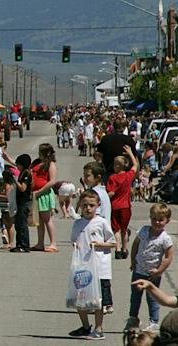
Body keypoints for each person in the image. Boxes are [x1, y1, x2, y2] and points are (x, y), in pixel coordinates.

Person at [68, 189, 116, 340]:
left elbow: (113, 242)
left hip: (100, 268)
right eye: (84, 205)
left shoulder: (101, 222)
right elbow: (74, 241)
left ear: (98, 205)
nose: (88, 208)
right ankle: (85, 326)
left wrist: (101, 244)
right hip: (82, 267)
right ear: (80, 206)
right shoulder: (78, 223)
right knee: (79, 299)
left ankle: (99, 328)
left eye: (91, 205)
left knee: (98, 301)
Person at [126, 203, 175, 333]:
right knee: (135, 296)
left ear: (167, 221)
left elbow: (169, 257)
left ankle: (154, 322)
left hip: (152, 274)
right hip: (138, 270)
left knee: (153, 298)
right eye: (154, 219)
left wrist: (160, 271)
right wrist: (133, 260)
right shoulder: (144, 230)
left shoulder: (165, 238)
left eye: (160, 220)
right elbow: (135, 245)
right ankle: (133, 318)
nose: (157, 222)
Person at [108, 145, 139, 260]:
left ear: (117, 166)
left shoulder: (113, 178)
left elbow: (111, 192)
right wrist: (130, 153)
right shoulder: (128, 176)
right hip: (126, 206)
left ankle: (118, 248)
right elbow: (135, 165)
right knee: (124, 229)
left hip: (115, 206)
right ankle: (125, 249)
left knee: (116, 229)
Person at [31, 143, 59, 253]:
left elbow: (52, 181)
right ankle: (40, 243)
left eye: (40, 152)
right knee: (40, 221)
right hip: (37, 194)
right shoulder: (38, 163)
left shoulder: (51, 164)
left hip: (44, 194)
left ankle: (53, 243)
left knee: (47, 219)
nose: (38, 154)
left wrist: (40, 191)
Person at [10, 154, 33, 253]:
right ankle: (19, 244)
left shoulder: (27, 174)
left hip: (24, 202)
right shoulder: (22, 172)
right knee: (18, 224)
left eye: (18, 164)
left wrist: (15, 180)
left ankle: (24, 245)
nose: (17, 166)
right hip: (20, 202)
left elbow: (23, 188)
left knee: (22, 224)